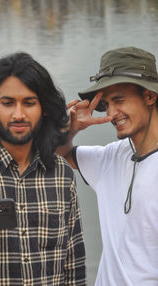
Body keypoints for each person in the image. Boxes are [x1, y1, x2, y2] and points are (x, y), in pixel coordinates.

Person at [0, 52, 86, 285]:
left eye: (29, 103)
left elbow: (73, 261)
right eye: (7, 103)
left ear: (44, 108)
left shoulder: (62, 174)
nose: (18, 114)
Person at [56, 46, 158, 286]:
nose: (111, 114)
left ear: (150, 96)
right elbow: (55, 156)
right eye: (106, 104)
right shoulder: (112, 157)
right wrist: (69, 129)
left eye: (119, 100)